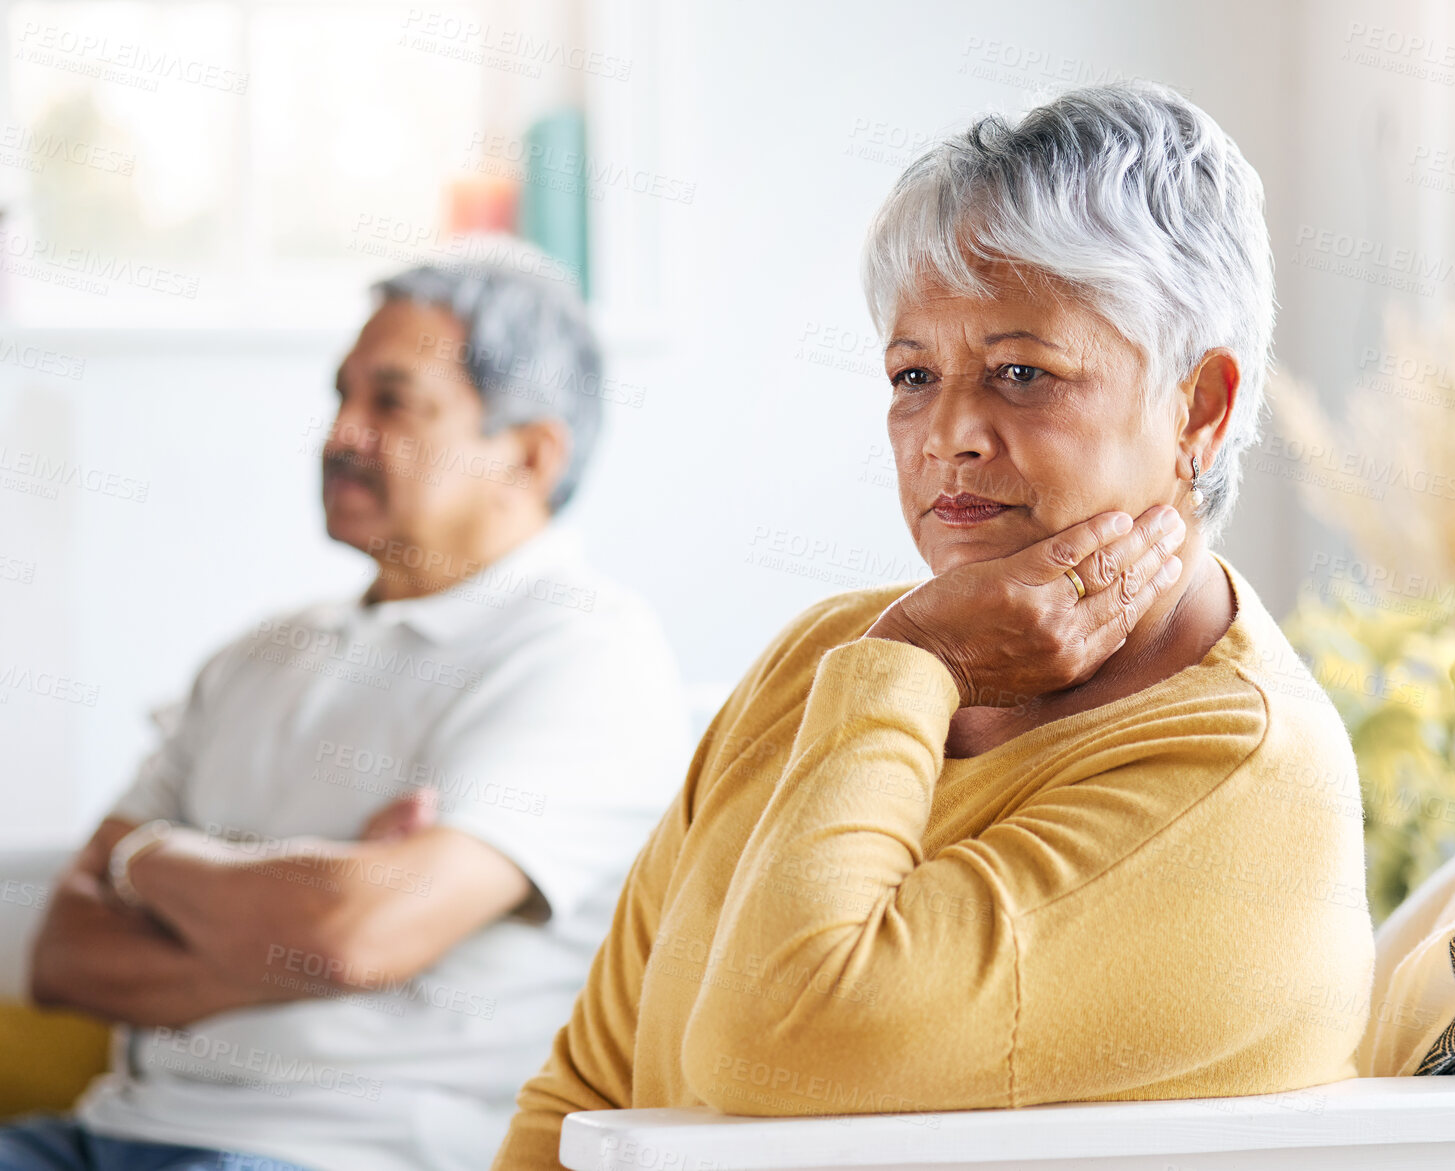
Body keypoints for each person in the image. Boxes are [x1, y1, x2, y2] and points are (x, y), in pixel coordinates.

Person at [491, 81, 1376, 1166]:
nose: (946, 432)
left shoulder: (1239, 776)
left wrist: (923, 658)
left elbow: (780, 1037)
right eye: (912, 375)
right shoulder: (830, 658)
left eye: (1021, 372)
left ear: (1200, 408)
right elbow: (586, 1086)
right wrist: (903, 658)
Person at [11, 246, 689, 1171]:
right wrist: (288, 913)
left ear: (529, 454)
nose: (342, 434)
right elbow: (63, 957)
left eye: (393, 402)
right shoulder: (255, 654)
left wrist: (142, 868)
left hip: (336, 1154)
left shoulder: (584, 651)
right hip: (102, 1135)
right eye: (343, 396)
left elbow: (356, 930)